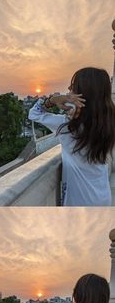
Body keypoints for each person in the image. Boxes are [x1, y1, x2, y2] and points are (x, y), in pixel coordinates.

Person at [29, 67, 115, 206]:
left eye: (73, 87)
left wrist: (52, 100)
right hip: (102, 197)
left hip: (79, 202)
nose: (69, 90)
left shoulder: (68, 126)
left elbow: (33, 114)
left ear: (82, 94)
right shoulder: (108, 123)